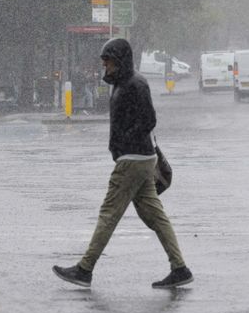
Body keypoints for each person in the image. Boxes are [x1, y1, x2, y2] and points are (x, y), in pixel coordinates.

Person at [52, 38, 193, 289]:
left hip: (133, 160)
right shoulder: (123, 83)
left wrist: (125, 142)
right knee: (156, 217)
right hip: (139, 159)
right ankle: (180, 268)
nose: (104, 66)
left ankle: (85, 269)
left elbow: (149, 119)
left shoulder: (134, 84)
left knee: (109, 214)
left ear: (120, 60)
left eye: (108, 61)